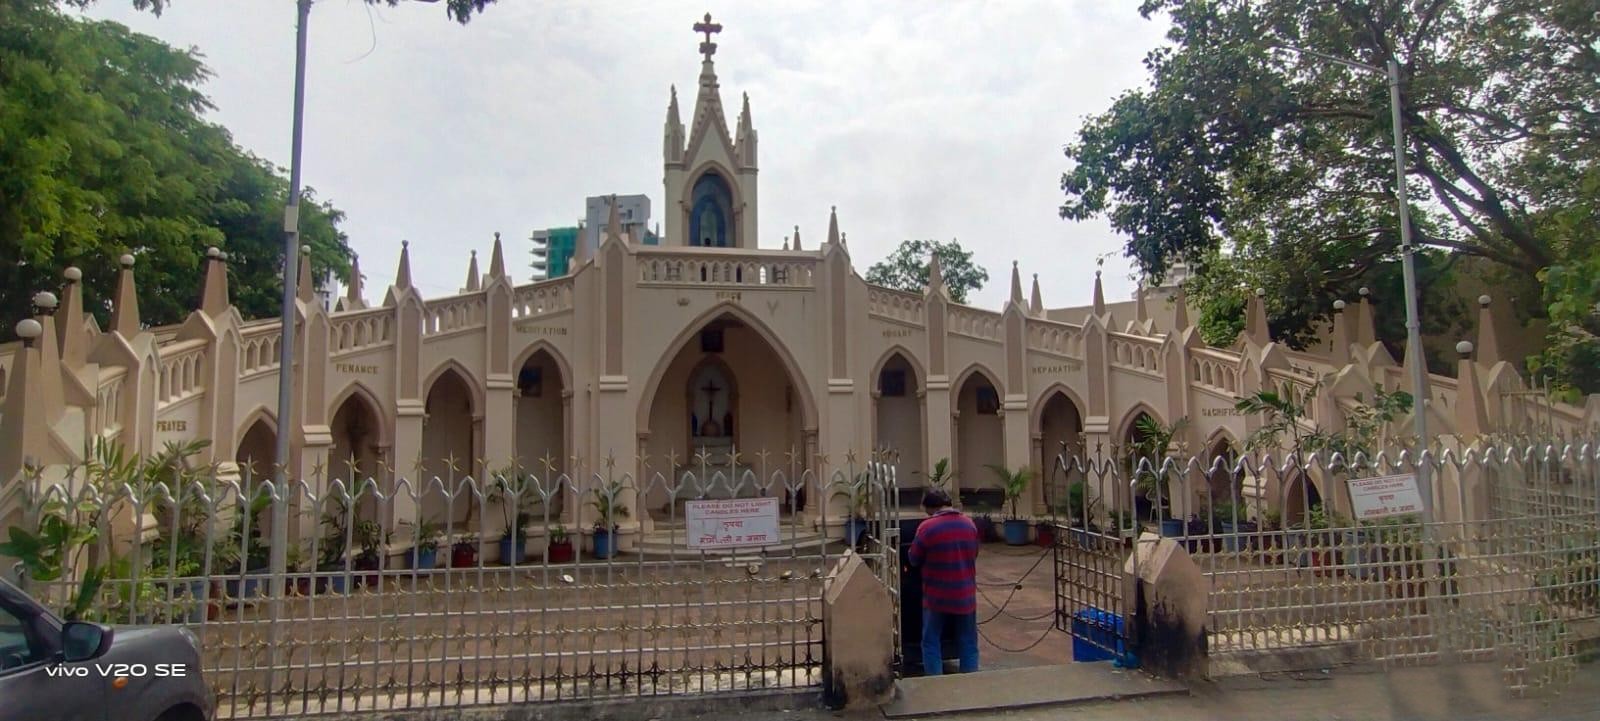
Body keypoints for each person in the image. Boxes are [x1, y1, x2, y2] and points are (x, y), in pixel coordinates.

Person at [906, 488, 979, 675]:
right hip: (965, 594)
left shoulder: (927, 527)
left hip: (936, 595)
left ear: (930, 507)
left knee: (931, 641)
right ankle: (972, 682)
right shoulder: (969, 524)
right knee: (968, 641)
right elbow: (974, 554)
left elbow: (913, 558)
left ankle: (936, 685)